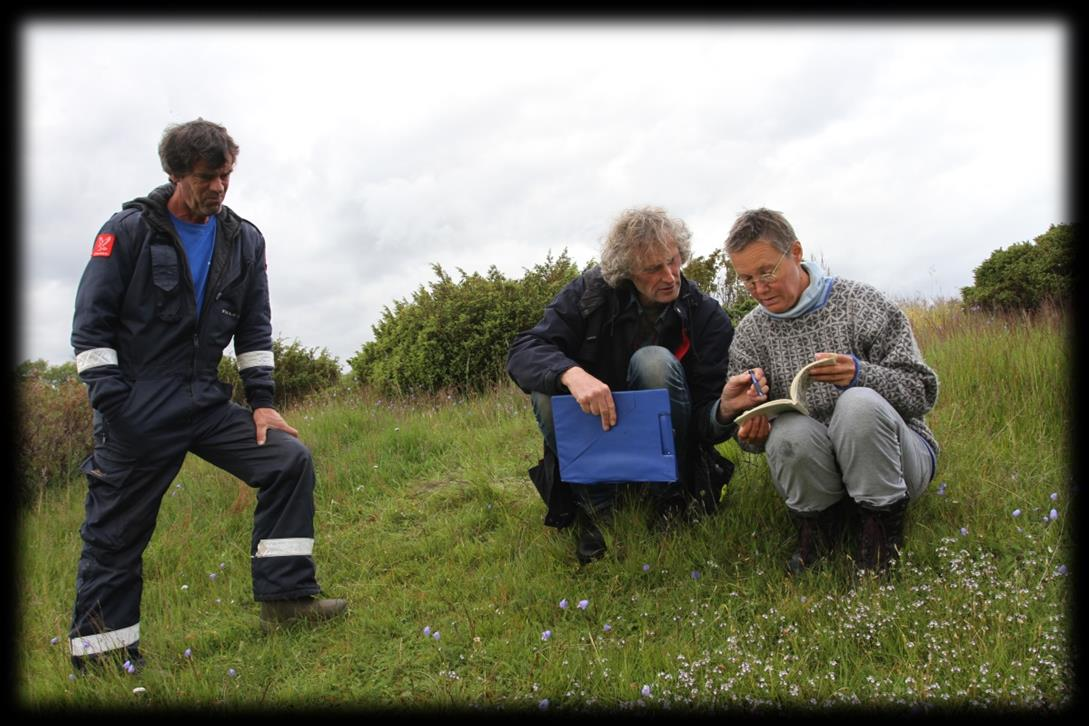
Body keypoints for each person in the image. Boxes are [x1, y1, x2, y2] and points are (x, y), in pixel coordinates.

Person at [68, 118, 346, 672]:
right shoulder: (125, 233)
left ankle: (286, 601)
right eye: (205, 177)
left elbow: (255, 329)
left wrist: (263, 401)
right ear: (175, 175)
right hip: (137, 411)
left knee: (288, 459)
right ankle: (104, 661)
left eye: (225, 175)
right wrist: (113, 404)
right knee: (116, 536)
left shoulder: (244, 239)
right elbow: (91, 330)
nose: (218, 187)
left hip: (206, 403)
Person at [507, 206, 757, 564]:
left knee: (653, 361)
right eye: (653, 268)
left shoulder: (706, 315)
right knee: (548, 388)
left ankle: (665, 500)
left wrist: (725, 412)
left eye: (673, 261)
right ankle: (598, 510)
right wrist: (571, 374)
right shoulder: (590, 292)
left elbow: (706, 424)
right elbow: (524, 350)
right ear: (627, 272)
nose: (670, 276)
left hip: (670, 450)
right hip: (598, 431)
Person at [716, 207, 939, 574]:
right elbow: (753, 441)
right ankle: (819, 530)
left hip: (900, 463)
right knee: (788, 429)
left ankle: (881, 536)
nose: (759, 289)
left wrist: (861, 374)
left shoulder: (862, 303)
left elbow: (922, 392)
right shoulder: (751, 332)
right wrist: (747, 424)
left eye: (767, 271)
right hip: (823, 474)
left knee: (857, 404)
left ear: (797, 252)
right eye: (746, 279)